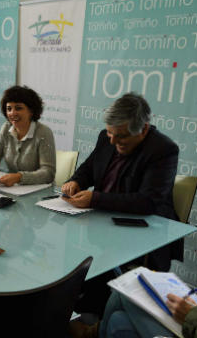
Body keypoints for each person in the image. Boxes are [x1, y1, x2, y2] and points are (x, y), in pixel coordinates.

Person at [62, 92, 180, 272]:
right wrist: (75, 181)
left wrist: (95, 199)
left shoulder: (163, 149)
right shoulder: (106, 137)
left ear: (144, 129)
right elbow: (90, 168)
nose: (113, 140)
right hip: (100, 227)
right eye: (110, 132)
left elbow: (148, 201)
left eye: (122, 136)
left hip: (142, 236)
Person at [0, 85, 56, 187]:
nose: (12, 113)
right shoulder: (6, 128)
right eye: (9, 109)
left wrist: (19, 177)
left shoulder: (44, 132)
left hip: (39, 191)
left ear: (31, 111)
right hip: (14, 190)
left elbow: (48, 173)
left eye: (18, 108)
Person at [74, 290, 197, 338]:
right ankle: (94, 333)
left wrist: (193, 315)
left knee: (124, 294)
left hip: (195, 325)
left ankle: (92, 333)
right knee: (118, 319)